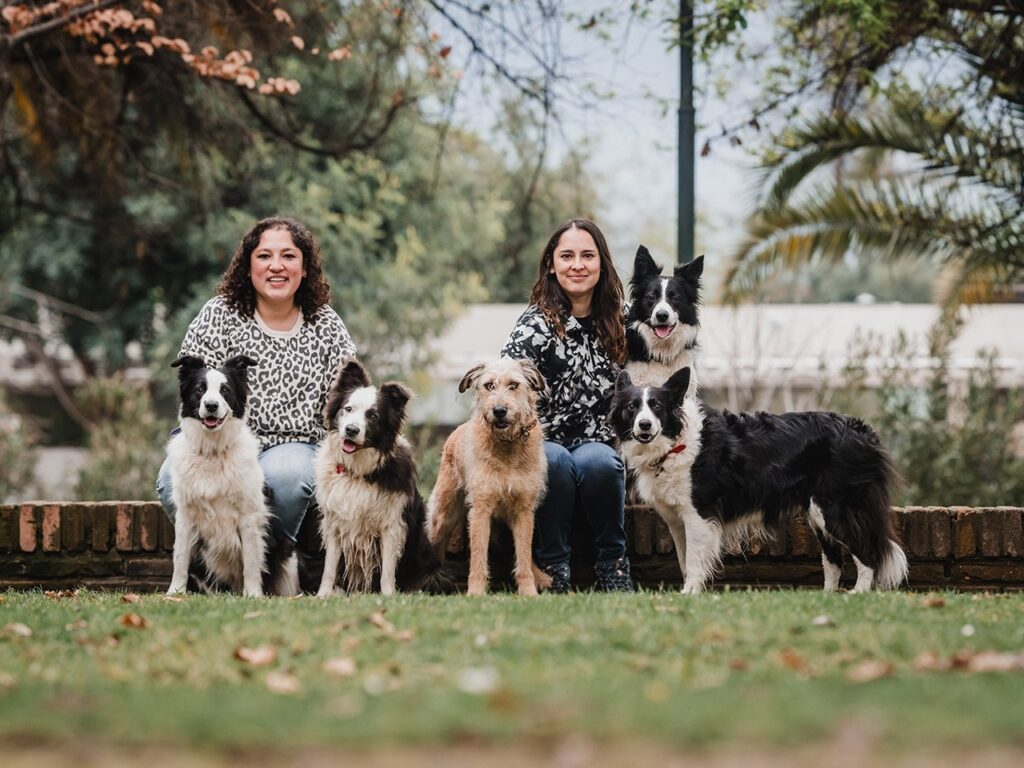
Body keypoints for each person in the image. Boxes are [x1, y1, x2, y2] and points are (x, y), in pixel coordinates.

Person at [156, 216, 356, 549]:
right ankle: (217, 568)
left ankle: (268, 568)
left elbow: (349, 401)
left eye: (288, 256)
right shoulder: (219, 315)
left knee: (286, 478)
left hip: (296, 446)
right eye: (264, 256)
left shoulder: (327, 326)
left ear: (305, 268)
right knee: (168, 481)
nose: (276, 266)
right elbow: (191, 390)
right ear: (248, 267)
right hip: (218, 443)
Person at [500, 218, 633, 592]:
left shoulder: (621, 319)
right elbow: (504, 387)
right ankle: (554, 565)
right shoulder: (534, 324)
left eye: (588, 255)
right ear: (551, 264)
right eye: (567, 255)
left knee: (599, 463)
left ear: (602, 263)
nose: (578, 265)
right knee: (555, 461)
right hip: (541, 441)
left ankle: (614, 563)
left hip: (598, 440)